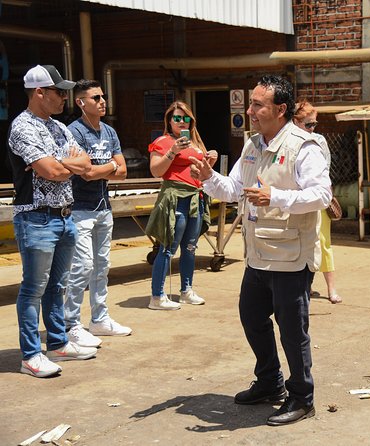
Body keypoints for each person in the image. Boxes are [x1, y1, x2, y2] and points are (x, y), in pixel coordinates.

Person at [190, 75, 331, 426]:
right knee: (252, 318)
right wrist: (208, 176)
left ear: (280, 109)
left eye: (258, 105)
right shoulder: (252, 145)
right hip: (258, 255)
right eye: (251, 103)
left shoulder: (304, 146)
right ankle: (270, 383)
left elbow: (322, 195)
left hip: (290, 257)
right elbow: (233, 189)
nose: (250, 111)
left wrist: (276, 197)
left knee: (292, 331)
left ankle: (302, 398)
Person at [8, 64, 98, 378]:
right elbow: (53, 172)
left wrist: (61, 162)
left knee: (55, 286)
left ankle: (58, 343)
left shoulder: (58, 127)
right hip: (36, 218)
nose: (64, 97)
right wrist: (63, 163)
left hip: (64, 217)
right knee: (33, 288)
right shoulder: (23, 127)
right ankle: (31, 355)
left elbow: (85, 164)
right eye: (59, 92)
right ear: (39, 92)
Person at [62, 79, 132, 349]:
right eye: (96, 98)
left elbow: (123, 172)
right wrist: (110, 166)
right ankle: (71, 324)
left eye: (103, 97)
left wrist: (104, 168)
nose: (103, 101)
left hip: (104, 209)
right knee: (82, 267)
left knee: (102, 266)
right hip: (79, 209)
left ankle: (100, 318)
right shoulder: (74, 132)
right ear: (81, 102)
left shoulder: (110, 132)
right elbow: (87, 174)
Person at [145, 101, 217, 310]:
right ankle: (157, 296)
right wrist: (173, 151)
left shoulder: (195, 143)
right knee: (168, 247)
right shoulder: (164, 141)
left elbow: (203, 173)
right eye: (177, 118)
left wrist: (209, 160)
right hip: (175, 196)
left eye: (186, 118)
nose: (181, 122)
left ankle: (186, 290)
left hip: (195, 197)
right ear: (169, 120)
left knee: (190, 247)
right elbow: (156, 171)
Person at [293, 100, 342, 304]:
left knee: (323, 242)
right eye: (308, 124)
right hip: (295, 199)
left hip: (317, 198)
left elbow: (326, 169)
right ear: (295, 122)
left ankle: (331, 288)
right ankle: (307, 286)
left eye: (314, 124)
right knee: (300, 242)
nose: (312, 128)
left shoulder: (319, 141)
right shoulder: (289, 141)